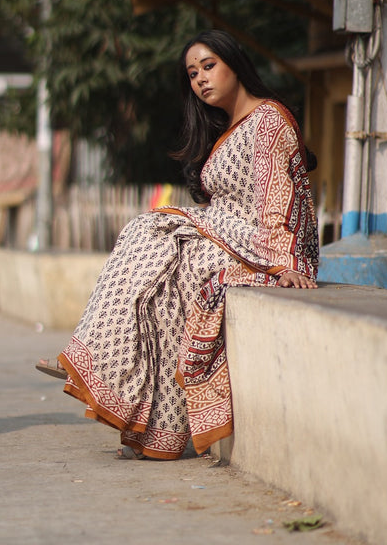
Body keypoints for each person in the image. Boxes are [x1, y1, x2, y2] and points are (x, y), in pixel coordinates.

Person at [36, 29, 319, 460]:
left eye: (209, 66)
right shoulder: (231, 127)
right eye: (192, 73)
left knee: (158, 245)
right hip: (228, 237)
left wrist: (285, 262)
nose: (201, 79)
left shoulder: (269, 120)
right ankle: (152, 422)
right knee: (154, 258)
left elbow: (280, 197)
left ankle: (101, 364)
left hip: (263, 247)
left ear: (234, 64)